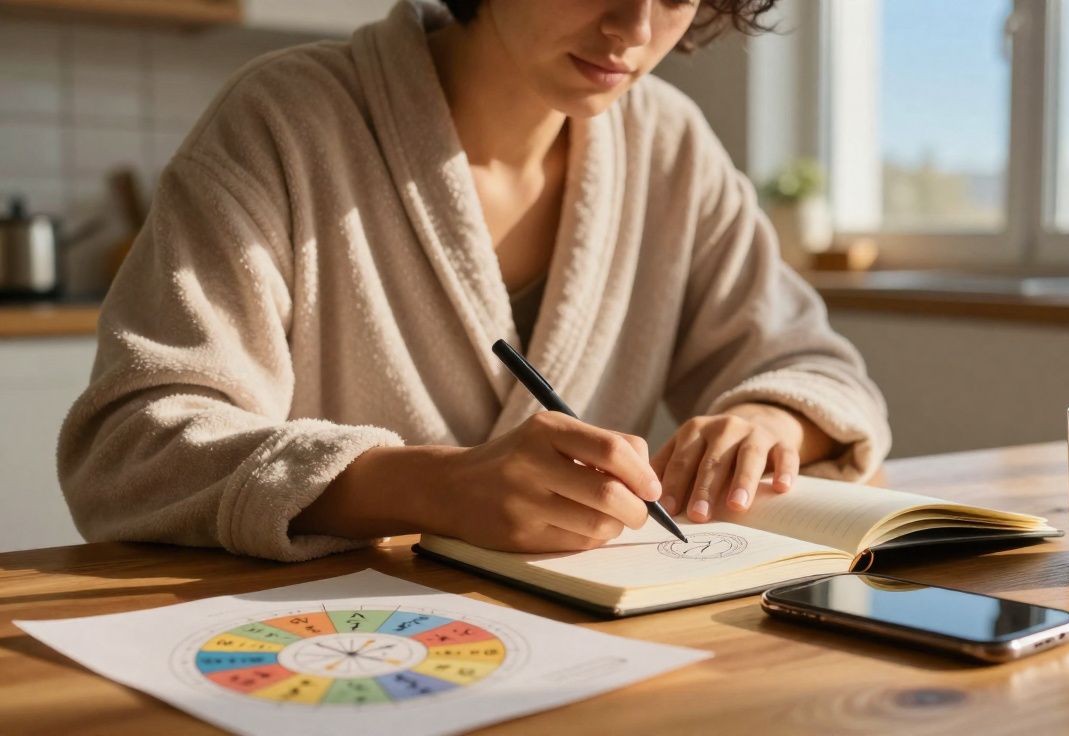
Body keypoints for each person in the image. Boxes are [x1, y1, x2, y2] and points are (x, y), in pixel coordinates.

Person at [57, 0, 891, 562]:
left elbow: (819, 371)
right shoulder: (286, 120)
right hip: (328, 662)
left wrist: (769, 416)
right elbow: (132, 444)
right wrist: (425, 486)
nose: (632, 28)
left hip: (587, 655)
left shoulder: (669, 146)